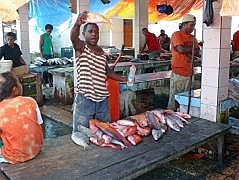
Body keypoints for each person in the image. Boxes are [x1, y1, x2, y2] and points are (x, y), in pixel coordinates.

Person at [70, 11, 127, 144]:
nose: (94, 34)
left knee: (103, 133)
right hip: (85, 98)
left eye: (96, 31)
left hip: (103, 99)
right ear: (84, 34)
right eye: (90, 31)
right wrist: (77, 25)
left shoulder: (101, 52)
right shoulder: (81, 47)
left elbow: (107, 72)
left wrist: (124, 79)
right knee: (81, 132)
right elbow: (73, 38)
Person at [0, 72, 43, 164]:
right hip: (36, 149)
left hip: (14, 157)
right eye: (20, 83)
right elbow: (40, 125)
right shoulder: (31, 101)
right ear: (15, 89)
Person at [167, 14, 200, 110]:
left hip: (189, 72)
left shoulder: (193, 38)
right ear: (184, 24)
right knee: (174, 98)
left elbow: (197, 51)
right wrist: (193, 48)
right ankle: (171, 113)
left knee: (185, 98)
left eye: (194, 25)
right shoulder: (176, 34)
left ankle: (182, 115)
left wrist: (190, 49)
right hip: (179, 72)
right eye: (191, 25)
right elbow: (180, 49)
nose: (193, 28)